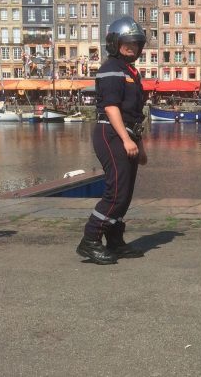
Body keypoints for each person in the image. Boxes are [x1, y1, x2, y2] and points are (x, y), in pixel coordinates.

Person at [77, 16, 148, 265]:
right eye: (127, 43)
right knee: (116, 192)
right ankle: (90, 240)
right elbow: (111, 108)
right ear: (115, 43)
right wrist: (126, 141)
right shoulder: (111, 69)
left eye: (136, 43)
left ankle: (115, 240)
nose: (132, 47)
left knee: (125, 194)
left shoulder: (130, 72)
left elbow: (134, 114)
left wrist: (139, 145)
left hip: (127, 134)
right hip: (111, 134)